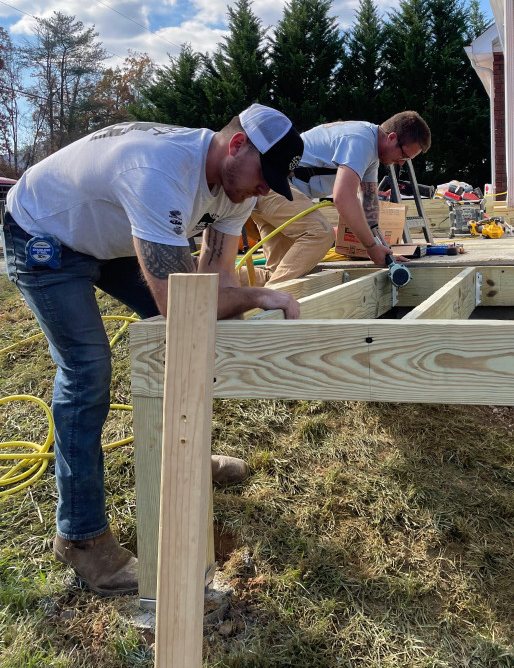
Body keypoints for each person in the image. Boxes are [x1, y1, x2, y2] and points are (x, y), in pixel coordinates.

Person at [2, 104, 304, 597]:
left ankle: (185, 455)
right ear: (236, 145)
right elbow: (179, 301)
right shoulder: (158, 169)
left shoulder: (238, 188)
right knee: (87, 370)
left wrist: (236, 302)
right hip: (44, 235)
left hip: (111, 239)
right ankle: (81, 539)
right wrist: (258, 295)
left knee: (191, 332)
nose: (265, 189)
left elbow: (210, 293)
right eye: (263, 175)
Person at [250, 111, 431, 286]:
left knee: (279, 274)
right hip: (273, 185)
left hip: (276, 189)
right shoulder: (362, 141)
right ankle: (268, 304)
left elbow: (369, 205)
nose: (401, 163)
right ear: (391, 137)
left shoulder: (371, 152)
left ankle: (225, 287)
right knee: (320, 234)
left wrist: (381, 249)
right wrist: (370, 247)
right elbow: (343, 198)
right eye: (404, 156)